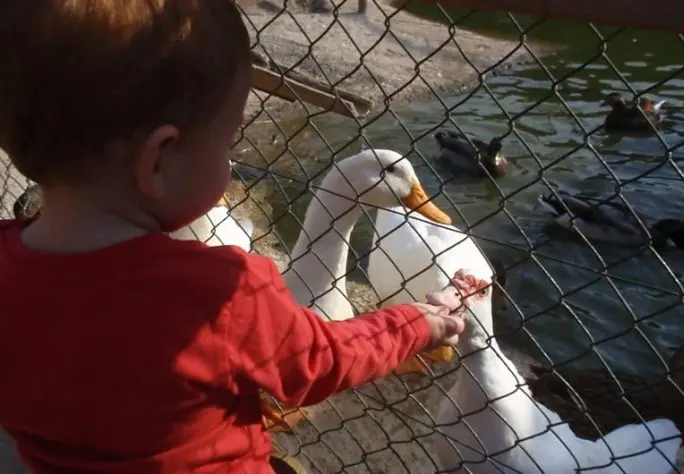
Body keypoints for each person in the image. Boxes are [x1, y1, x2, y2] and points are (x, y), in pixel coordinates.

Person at [0, 1, 465, 473]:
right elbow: (321, 361)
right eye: (228, 142)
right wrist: (419, 324)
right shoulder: (221, 293)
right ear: (158, 160)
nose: (230, 159)